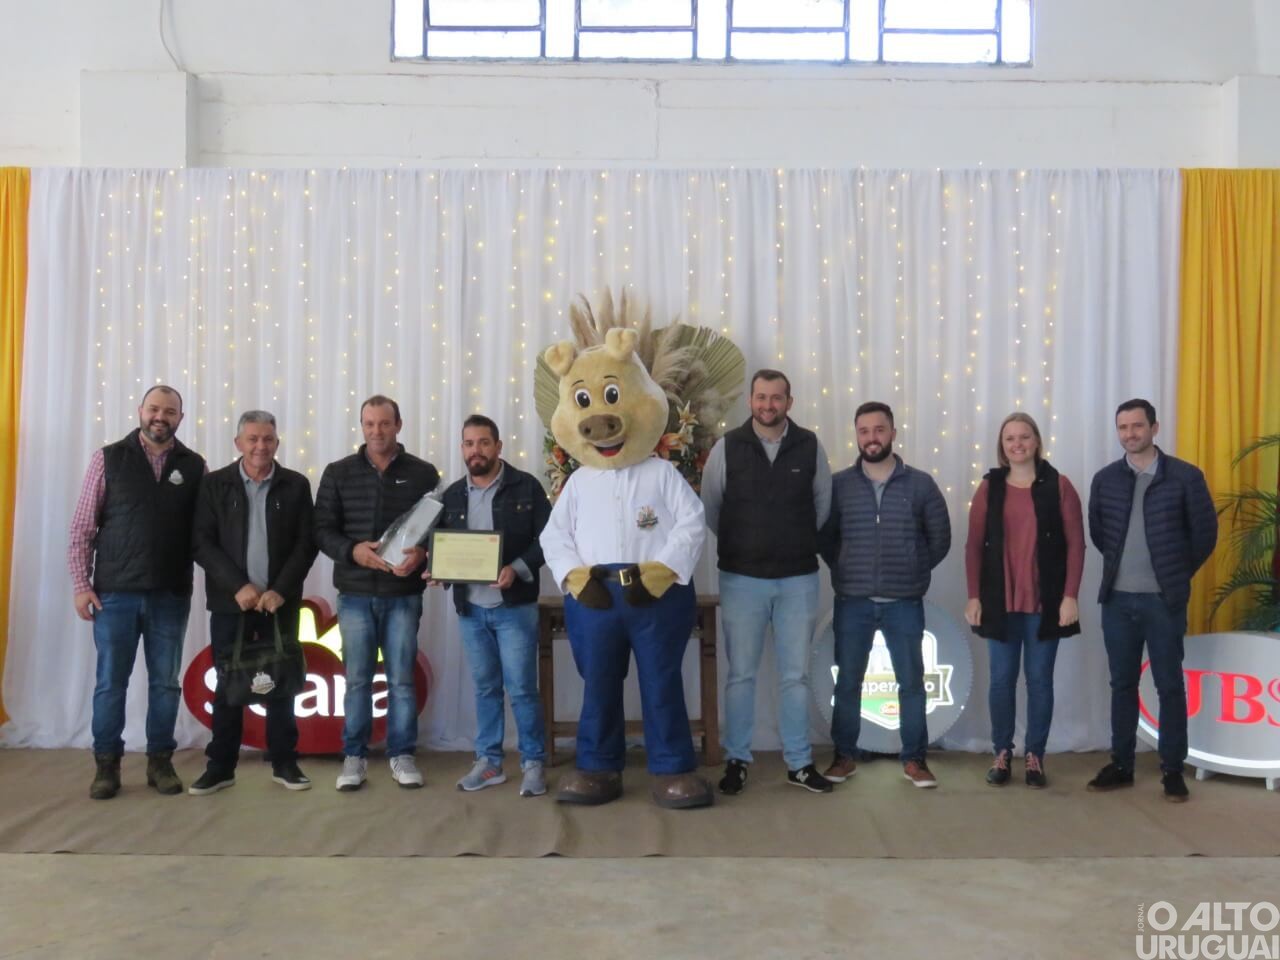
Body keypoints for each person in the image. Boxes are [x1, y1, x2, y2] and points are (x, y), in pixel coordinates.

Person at [68, 384, 206, 800]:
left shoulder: (194, 465)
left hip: (170, 594)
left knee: (165, 683)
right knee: (111, 682)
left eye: (169, 411)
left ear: (181, 418)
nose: (160, 417)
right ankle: (106, 766)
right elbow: (82, 527)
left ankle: (160, 763)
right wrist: (81, 586)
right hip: (115, 595)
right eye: (153, 409)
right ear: (140, 410)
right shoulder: (108, 458)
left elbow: (204, 533)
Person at [701, 369, 834, 795]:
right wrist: (749, 543)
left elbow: (822, 505)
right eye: (761, 397)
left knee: (794, 676)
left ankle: (799, 762)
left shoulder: (810, 445)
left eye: (777, 398)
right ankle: (737, 759)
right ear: (751, 401)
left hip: (798, 579)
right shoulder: (728, 447)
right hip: (742, 579)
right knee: (741, 675)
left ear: (789, 402)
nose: (768, 405)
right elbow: (712, 507)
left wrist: (788, 542)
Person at [1086, 398, 1217, 802]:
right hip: (1118, 602)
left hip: (1164, 602)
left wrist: (1173, 575)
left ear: (1155, 428)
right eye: (1123, 427)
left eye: (1137, 426)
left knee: (1169, 686)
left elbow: (1204, 535)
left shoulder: (1185, 477)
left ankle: (1172, 770)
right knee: (1122, 683)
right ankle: (1121, 764)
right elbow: (1099, 533)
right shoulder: (1106, 479)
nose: (1130, 434)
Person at [820, 401, 951, 788]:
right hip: (853, 602)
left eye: (879, 430)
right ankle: (845, 756)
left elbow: (940, 538)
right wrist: (846, 567)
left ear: (893, 432)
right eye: (864, 431)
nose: (871, 438)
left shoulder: (921, 484)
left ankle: (915, 760)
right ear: (856, 435)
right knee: (847, 682)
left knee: (910, 683)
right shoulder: (839, 485)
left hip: (904, 602)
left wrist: (913, 567)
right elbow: (826, 538)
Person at [314, 395, 440, 791]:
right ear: (362, 426)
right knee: (357, 680)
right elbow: (321, 529)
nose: (376, 431)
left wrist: (423, 554)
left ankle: (402, 755)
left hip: (402, 593)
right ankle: (354, 757)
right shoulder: (338, 473)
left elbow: (440, 530)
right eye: (369, 424)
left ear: (398, 425)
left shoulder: (422, 474)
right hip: (353, 594)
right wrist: (352, 552)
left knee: (402, 679)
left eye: (384, 423)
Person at [189, 410, 318, 795]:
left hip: (280, 603)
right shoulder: (215, 485)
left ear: (277, 442)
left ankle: (284, 762)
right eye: (253, 439)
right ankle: (220, 766)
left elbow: (305, 543)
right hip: (233, 605)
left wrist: (280, 588)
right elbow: (202, 543)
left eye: (268, 439)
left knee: (282, 683)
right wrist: (237, 586)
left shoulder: (296, 485)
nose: (260, 446)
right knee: (228, 685)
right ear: (239, 443)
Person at [429, 414, 551, 797]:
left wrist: (516, 568)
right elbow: (443, 547)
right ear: (462, 448)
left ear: (498, 447)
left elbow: (549, 539)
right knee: (485, 688)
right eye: (468, 443)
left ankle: (533, 763)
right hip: (471, 610)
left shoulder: (526, 487)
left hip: (514, 607)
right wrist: (439, 571)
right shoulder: (450, 496)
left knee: (521, 690)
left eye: (483, 443)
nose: (475, 450)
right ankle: (489, 762)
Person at [963, 412, 1085, 789]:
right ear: (1002, 446)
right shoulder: (990, 487)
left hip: (1044, 603)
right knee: (1000, 681)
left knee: (1039, 682)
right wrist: (973, 596)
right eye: (1010, 438)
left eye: (1024, 437)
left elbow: (1076, 545)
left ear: (1036, 441)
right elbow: (973, 545)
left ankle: (1035, 756)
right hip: (1000, 602)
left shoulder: (1059, 485)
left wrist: (1070, 596)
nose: (1017, 444)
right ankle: (1002, 752)